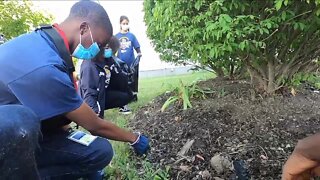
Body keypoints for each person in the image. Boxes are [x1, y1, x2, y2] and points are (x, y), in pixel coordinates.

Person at [0, 1, 149, 179]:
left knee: (97, 149)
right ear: (84, 29)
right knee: (21, 122)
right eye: (99, 44)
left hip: (21, 133)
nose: (98, 51)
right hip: (10, 138)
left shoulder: (43, 42)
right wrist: (134, 138)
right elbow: (94, 125)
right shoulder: (45, 68)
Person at [79, 36, 134, 118]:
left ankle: (103, 106)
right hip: (91, 97)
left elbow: (122, 80)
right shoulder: (90, 65)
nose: (112, 54)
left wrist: (116, 70)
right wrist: (94, 111)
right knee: (95, 110)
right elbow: (89, 91)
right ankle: (95, 110)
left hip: (103, 92)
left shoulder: (108, 60)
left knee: (127, 95)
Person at [115, 15, 142, 111]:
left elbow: (137, 47)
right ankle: (122, 98)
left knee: (132, 80)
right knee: (122, 81)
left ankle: (132, 96)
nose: (125, 25)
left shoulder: (131, 36)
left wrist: (139, 54)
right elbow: (113, 50)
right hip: (120, 63)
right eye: (123, 23)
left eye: (126, 23)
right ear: (120, 24)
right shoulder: (116, 37)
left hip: (131, 62)